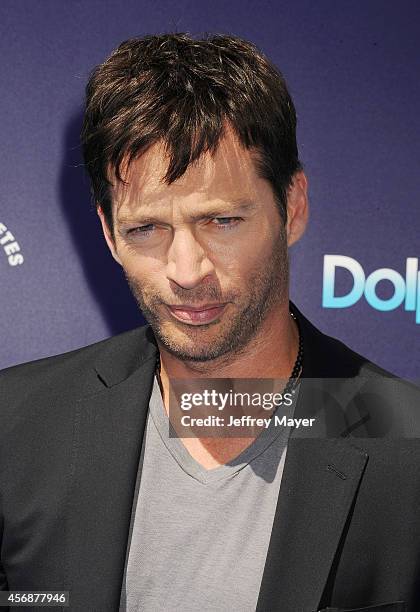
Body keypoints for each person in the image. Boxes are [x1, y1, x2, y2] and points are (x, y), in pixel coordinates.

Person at [0, 33, 419, 612]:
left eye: (222, 220)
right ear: (107, 232)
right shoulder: (15, 425)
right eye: (146, 229)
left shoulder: (405, 446)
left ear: (292, 207)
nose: (186, 270)